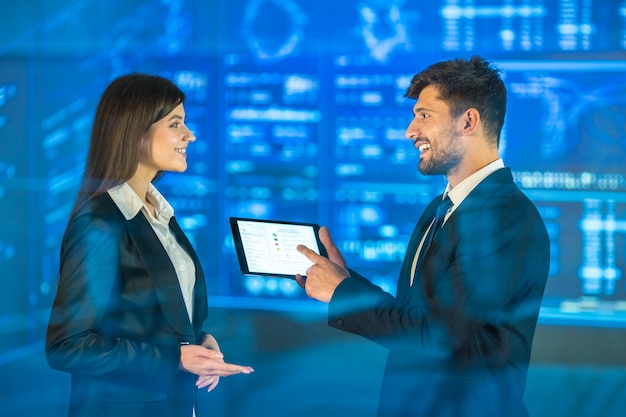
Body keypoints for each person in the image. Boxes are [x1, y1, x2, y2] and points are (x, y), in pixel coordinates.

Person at [296, 56, 550, 417]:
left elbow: (435, 336)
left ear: (469, 121)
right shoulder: (441, 207)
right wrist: (346, 280)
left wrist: (343, 294)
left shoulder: (504, 217)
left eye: (425, 115)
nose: (410, 130)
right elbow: (416, 316)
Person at [46, 73, 253, 417]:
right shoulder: (99, 222)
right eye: (175, 124)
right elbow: (67, 346)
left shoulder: (158, 214)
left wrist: (198, 343)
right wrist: (175, 358)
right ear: (136, 132)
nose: (190, 135)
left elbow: (155, 317)